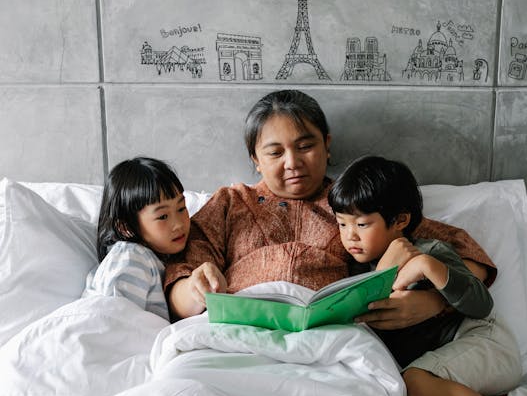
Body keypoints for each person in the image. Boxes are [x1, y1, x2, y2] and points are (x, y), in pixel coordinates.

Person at [164, 89, 496, 329]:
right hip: (240, 332)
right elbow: (179, 284)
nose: (292, 163)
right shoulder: (230, 203)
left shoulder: (357, 205)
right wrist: (196, 291)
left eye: (305, 146)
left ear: (327, 145)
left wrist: (433, 303)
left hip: (331, 337)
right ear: (256, 159)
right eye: (275, 153)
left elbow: (469, 257)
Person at [328, 155, 527, 396]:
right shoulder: (356, 267)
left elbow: (481, 304)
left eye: (361, 224)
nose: (350, 236)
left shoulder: (431, 250)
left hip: (487, 342)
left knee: (415, 383)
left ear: (401, 221)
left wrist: (427, 266)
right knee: (414, 385)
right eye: (342, 224)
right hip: (455, 369)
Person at [82, 157, 190, 320]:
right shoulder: (131, 257)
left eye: (181, 208)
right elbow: (116, 321)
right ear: (125, 227)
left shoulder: (156, 259)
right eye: (163, 216)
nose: (178, 224)